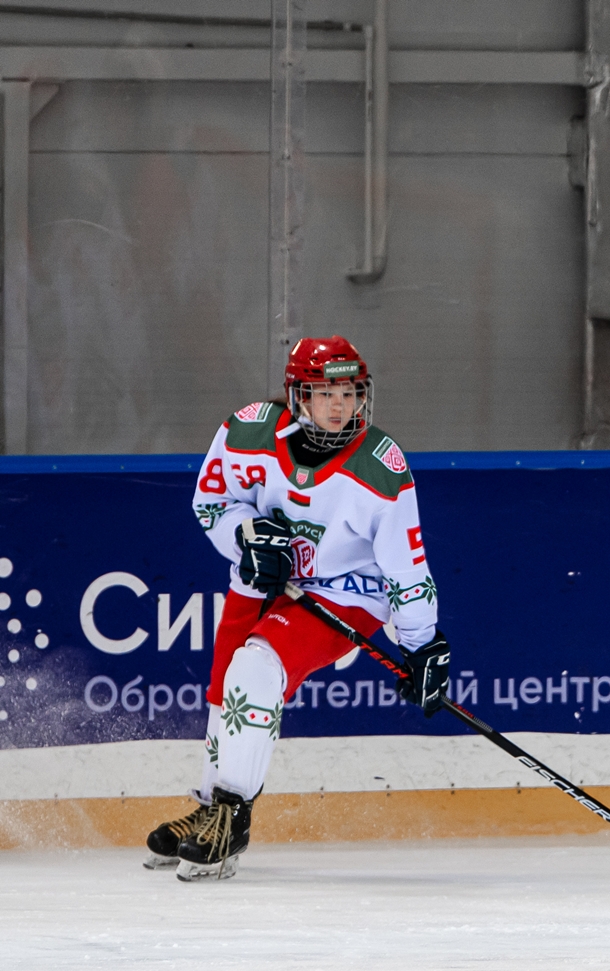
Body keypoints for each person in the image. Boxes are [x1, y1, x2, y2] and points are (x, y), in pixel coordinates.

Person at [143, 337, 453, 880]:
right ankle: (213, 805)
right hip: (264, 577)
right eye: (325, 393)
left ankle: (232, 820)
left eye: (351, 392)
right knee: (223, 688)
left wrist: (421, 644)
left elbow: (406, 567)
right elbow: (211, 502)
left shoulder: (381, 468)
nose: (341, 405)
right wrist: (248, 538)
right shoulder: (247, 432)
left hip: (343, 591)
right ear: (297, 396)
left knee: (255, 668)